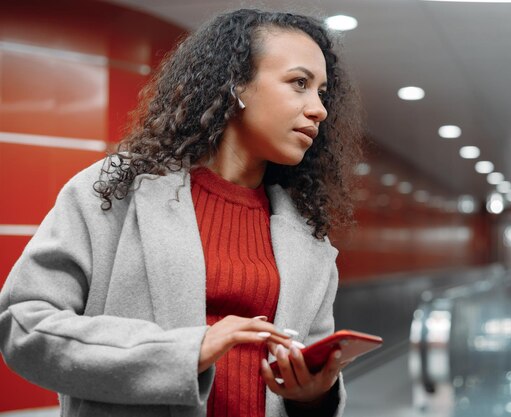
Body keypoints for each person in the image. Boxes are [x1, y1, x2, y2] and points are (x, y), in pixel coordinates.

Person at [0, 8, 362, 417]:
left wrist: (312, 395)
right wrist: (183, 352)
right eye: (299, 84)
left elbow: (315, 377)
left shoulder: (309, 239)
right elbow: (24, 324)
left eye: (322, 93)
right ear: (236, 85)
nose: (319, 110)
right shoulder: (115, 190)